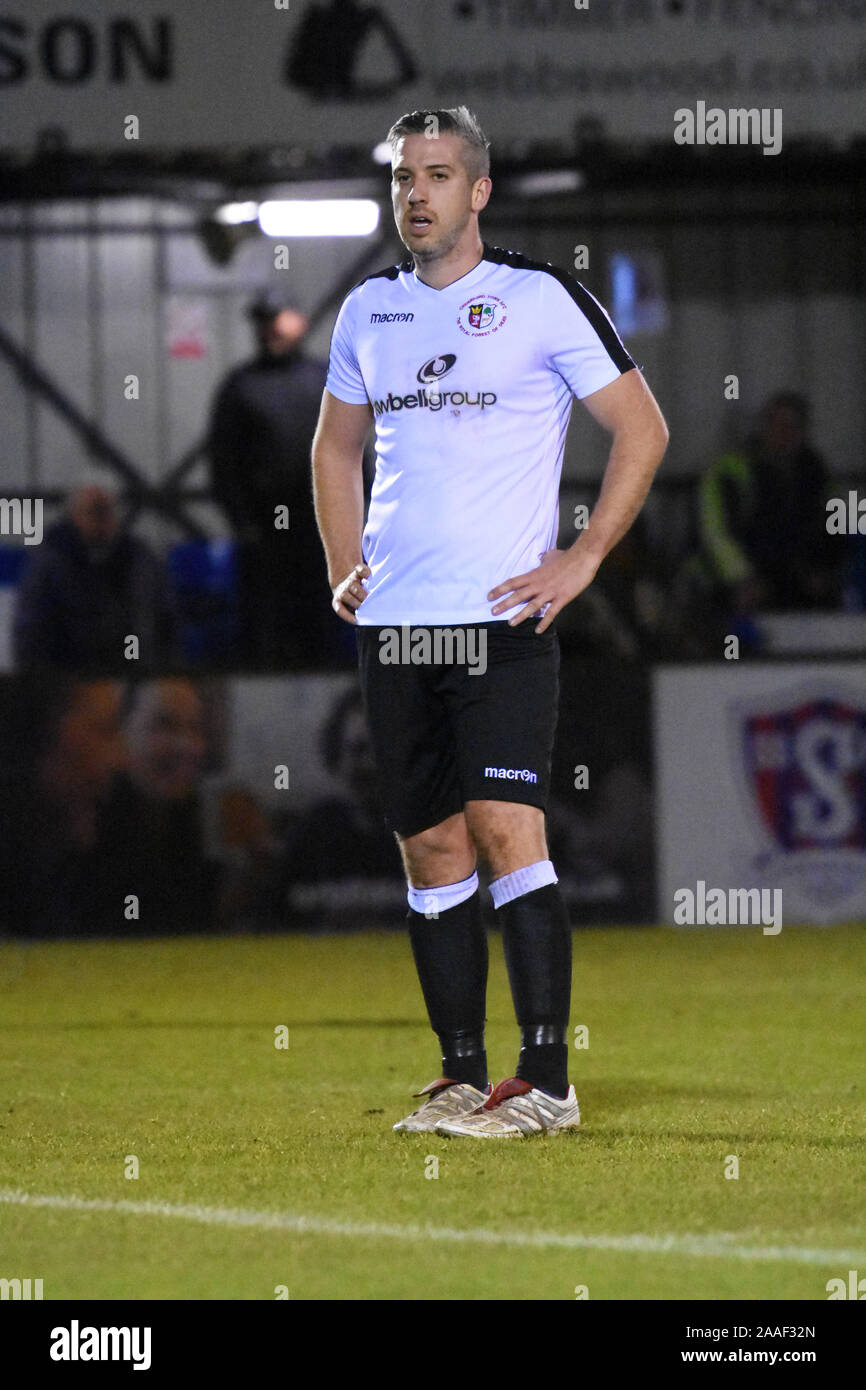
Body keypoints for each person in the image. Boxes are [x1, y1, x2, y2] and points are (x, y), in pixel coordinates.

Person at [312, 106, 668, 1138]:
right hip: (398, 628)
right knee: (429, 847)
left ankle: (546, 1080)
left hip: (502, 621)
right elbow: (333, 451)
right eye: (399, 178)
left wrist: (584, 554)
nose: (413, 195)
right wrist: (342, 561)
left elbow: (641, 429)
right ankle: (462, 1075)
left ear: (477, 192)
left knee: (507, 829)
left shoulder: (540, 299)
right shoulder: (366, 312)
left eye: (434, 175)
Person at [208, 292, 333, 667]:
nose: (271, 330)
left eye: (277, 319)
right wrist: (243, 524)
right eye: (265, 323)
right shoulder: (241, 387)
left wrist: (360, 520)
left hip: (322, 534)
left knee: (321, 631)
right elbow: (224, 463)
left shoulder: (326, 380)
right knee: (265, 634)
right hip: (266, 539)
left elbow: (354, 451)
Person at [697, 392, 842, 621]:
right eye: (778, 425)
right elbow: (716, 535)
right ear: (764, 428)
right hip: (733, 583)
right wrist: (742, 579)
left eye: (794, 426)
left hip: (794, 584)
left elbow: (832, 528)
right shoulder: (732, 472)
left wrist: (823, 572)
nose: (785, 434)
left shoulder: (815, 472)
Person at [13, 484, 176, 673]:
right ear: (74, 516)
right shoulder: (49, 565)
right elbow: (32, 636)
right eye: (94, 512)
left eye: (107, 512)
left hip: (130, 671)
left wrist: (153, 671)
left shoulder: (139, 561)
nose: (101, 522)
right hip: (69, 678)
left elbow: (163, 622)